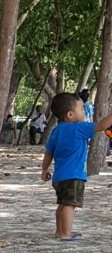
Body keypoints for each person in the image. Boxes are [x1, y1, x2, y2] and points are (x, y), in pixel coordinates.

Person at [41, 89, 112, 241]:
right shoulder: (79, 127)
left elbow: (48, 153)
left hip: (59, 177)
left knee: (62, 204)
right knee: (69, 205)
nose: (84, 111)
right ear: (70, 115)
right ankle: (66, 233)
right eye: (81, 109)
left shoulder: (56, 131)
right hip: (73, 175)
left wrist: (44, 169)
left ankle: (60, 231)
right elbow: (101, 126)